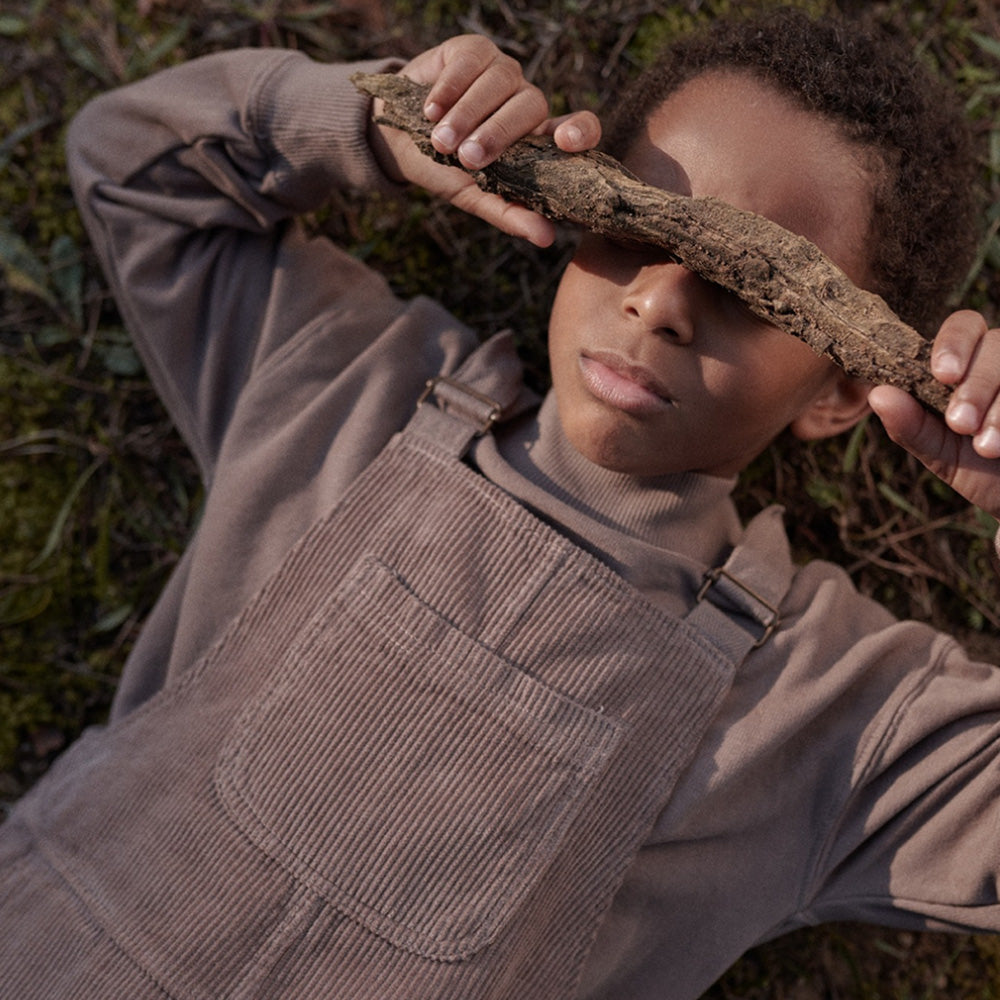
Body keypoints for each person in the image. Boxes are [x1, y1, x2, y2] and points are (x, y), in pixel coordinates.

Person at [2, 8, 999, 999]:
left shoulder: (825, 709)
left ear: (835, 392)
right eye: (633, 226)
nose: (659, 301)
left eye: (755, 290)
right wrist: (379, 127)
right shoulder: (344, 387)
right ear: (574, 206)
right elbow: (129, 163)